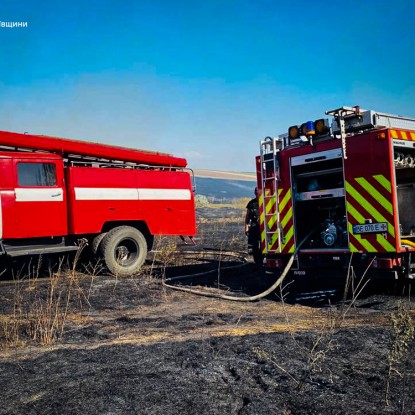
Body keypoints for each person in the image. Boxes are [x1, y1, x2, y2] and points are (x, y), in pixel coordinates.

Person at [244, 187, 263, 267]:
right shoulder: (251, 203)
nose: (257, 194)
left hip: (265, 228)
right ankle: (256, 263)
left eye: (258, 193)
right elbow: (247, 216)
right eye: (256, 193)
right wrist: (246, 227)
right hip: (254, 227)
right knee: (253, 246)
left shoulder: (266, 201)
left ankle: (264, 260)